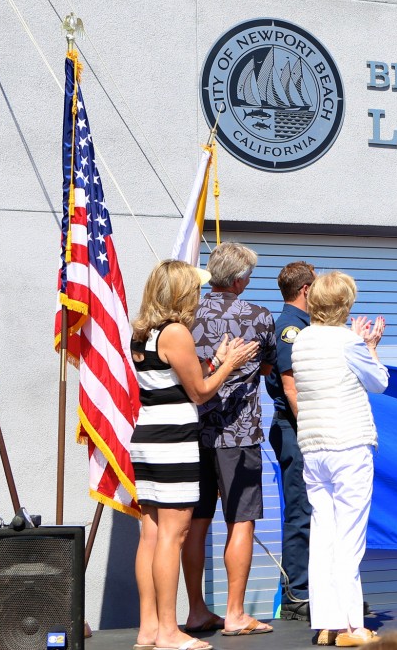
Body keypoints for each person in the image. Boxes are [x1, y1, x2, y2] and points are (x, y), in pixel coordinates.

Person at [130, 260, 259, 650]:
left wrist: (215, 362)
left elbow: (174, 381)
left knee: (152, 532)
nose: (200, 294)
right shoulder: (176, 333)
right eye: (194, 288)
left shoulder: (143, 332)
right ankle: (169, 632)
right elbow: (200, 392)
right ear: (180, 292)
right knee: (174, 534)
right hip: (173, 439)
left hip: (148, 433)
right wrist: (230, 365)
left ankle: (149, 628)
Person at [183, 242, 277, 636]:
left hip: (191, 431)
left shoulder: (184, 315)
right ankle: (236, 614)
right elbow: (270, 365)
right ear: (239, 279)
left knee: (195, 523)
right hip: (238, 432)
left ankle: (196, 611)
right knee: (241, 521)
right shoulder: (257, 315)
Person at [291, 272, 388, 647]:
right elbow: (378, 381)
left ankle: (327, 623)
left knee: (324, 535)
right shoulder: (350, 341)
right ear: (345, 305)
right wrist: (370, 345)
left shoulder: (301, 340)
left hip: (313, 447)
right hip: (349, 443)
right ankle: (350, 625)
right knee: (349, 538)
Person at [265, 261, 316, 621]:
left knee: (310, 510)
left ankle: (309, 588)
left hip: (298, 426)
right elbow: (290, 386)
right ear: (306, 290)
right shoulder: (290, 330)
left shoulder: (299, 326)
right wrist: (311, 431)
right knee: (300, 512)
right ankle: (297, 593)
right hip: (294, 427)